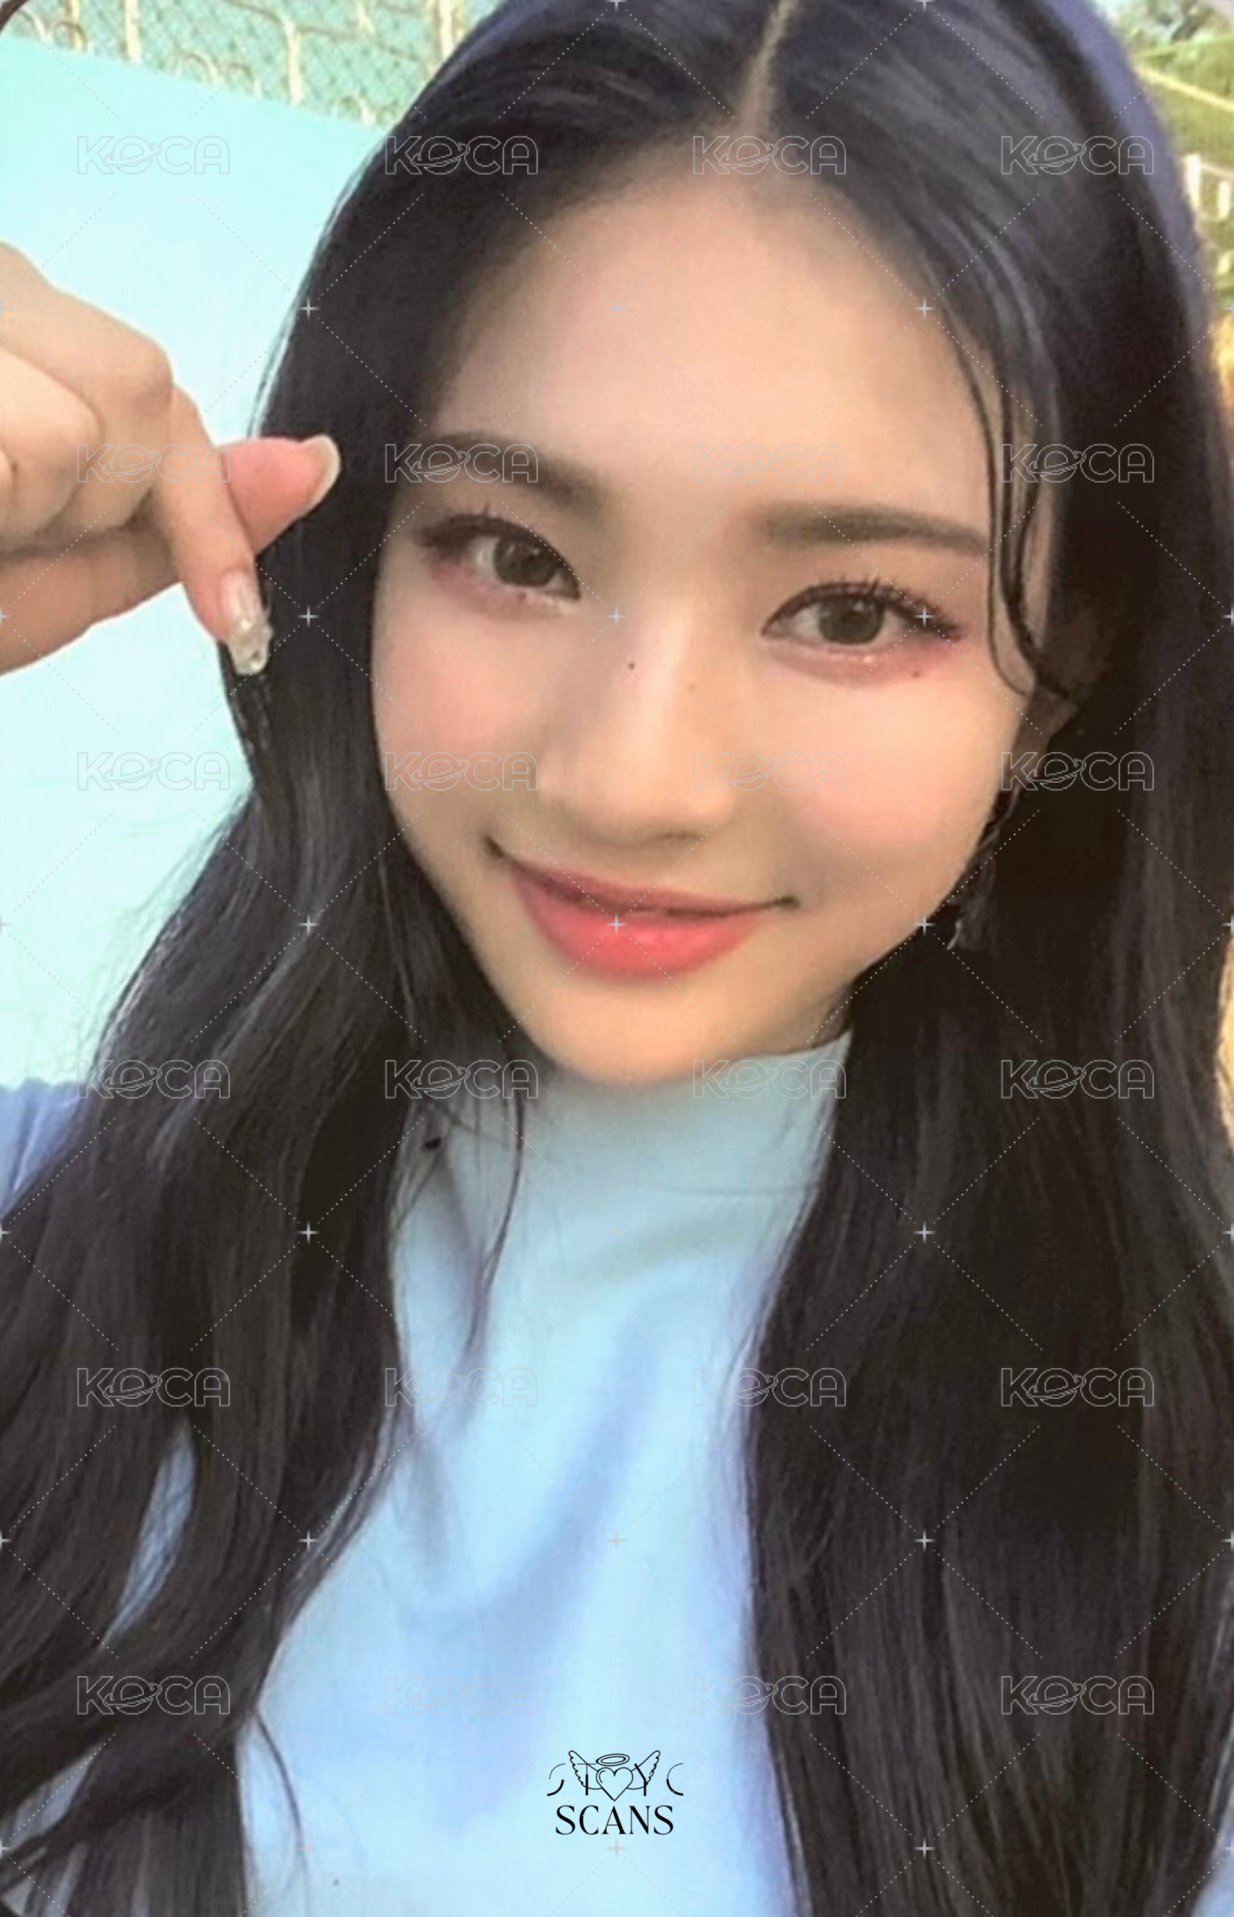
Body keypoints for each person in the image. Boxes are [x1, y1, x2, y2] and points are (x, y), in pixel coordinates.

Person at [2, 0, 1234, 1911]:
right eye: (514, 552)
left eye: (852, 609)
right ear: (355, 548)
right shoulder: (41, 1253)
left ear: (1067, 674)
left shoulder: (1179, 1515)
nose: (630, 778)